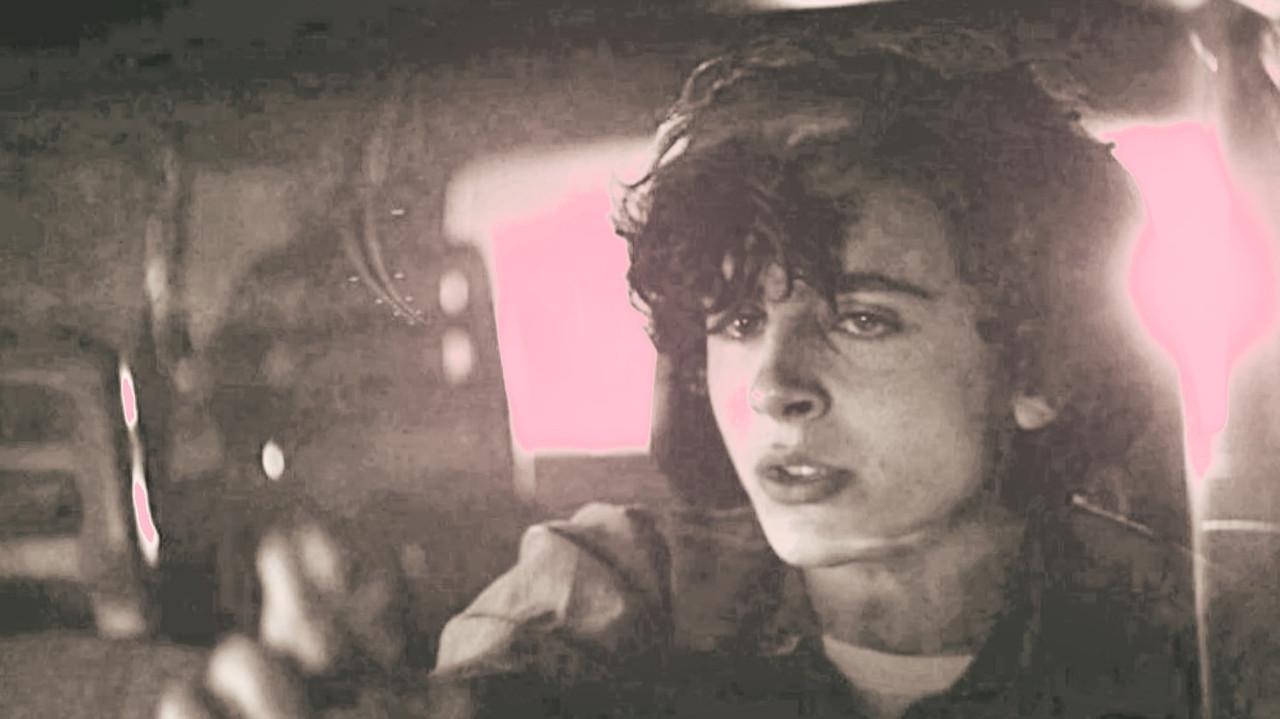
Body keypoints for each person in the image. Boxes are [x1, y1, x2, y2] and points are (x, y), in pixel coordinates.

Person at [158, 28, 1201, 719]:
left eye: (861, 317)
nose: (773, 384)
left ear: (1034, 366)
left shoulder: (1202, 627)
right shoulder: (619, 586)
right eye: (739, 320)